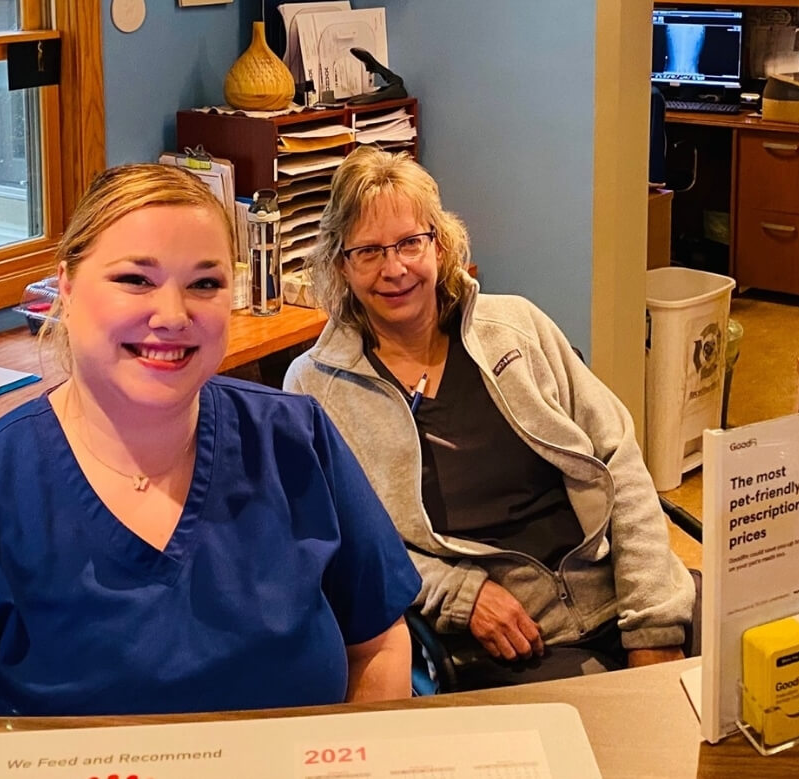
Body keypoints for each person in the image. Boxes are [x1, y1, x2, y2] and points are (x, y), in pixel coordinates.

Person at [0, 163, 421, 716]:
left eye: (205, 283)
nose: (171, 314)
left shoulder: (297, 442)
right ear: (65, 286)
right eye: (135, 279)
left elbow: (378, 641)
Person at [285, 148, 695, 686]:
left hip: (620, 588)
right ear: (340, 263)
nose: (395, 269)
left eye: (411, 242)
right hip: (515, 639)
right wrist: (459, 594)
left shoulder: (518, 327)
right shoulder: (316, 388)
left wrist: (653, 624)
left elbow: (618, 460)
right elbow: (349, 545)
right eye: (368, 251)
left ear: (441, 242)